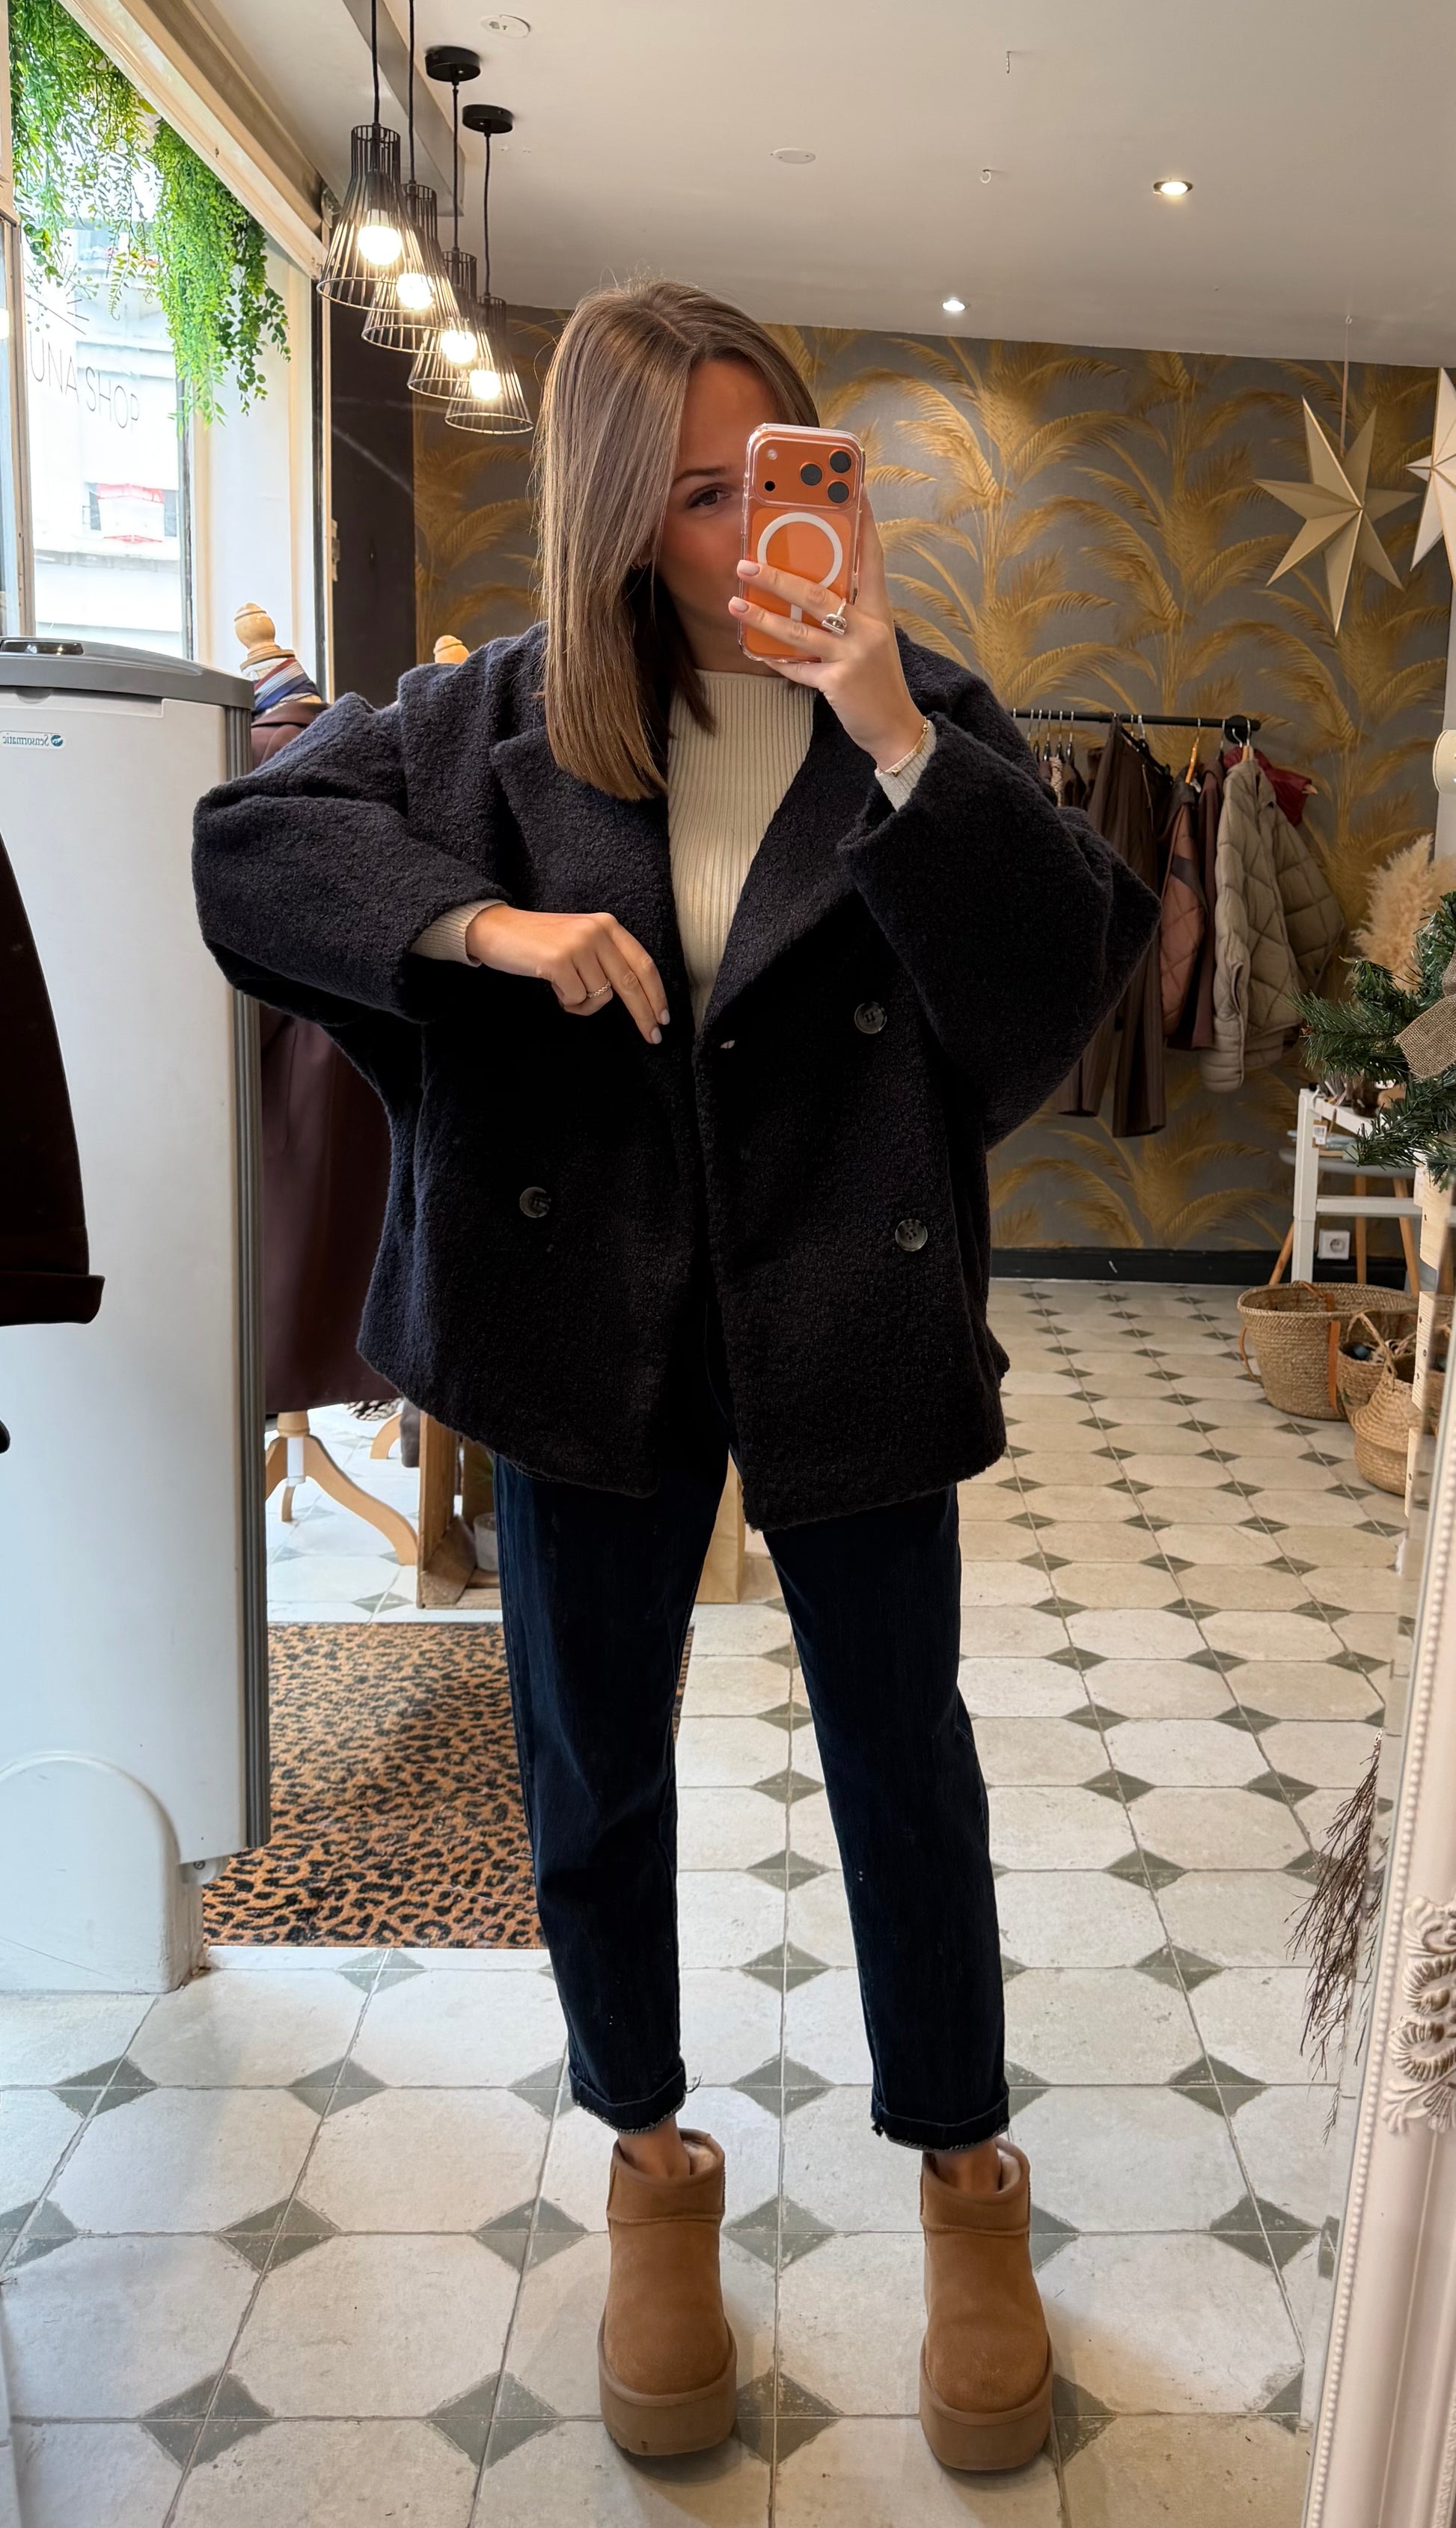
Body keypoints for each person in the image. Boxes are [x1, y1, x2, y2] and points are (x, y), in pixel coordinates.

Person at [193, 278, 1160, 2473]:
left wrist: (892, 726)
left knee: (903, 1758)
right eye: (698, 494)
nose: (748, 538)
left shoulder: (925, 715)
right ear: (619, 509)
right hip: (582, 1317)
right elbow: (250, 849)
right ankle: (648, 2162)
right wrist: (488, 930)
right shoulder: (497, 723)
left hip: (849, 1308)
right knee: (592, 1763)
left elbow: (1055, 986)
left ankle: (966, 2181)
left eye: (784, 481)